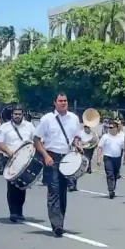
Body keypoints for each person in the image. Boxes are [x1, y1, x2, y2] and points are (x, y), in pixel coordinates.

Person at [33, 93, 82, 237]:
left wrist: (77, 145)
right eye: (60, 101)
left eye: (65, 101)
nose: (63, 103)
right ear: (55, 103)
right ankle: (57, 225)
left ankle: (60, 220)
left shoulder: (74, 118)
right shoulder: (47, 119)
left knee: (63, 191)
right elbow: (36, 139)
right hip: (51, 156)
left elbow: (75, 137)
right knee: (53, 190)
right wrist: (46, 155)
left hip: (67, 156)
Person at [0, 105, 36, 222]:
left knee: (22, 186)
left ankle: (19, 211)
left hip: (25, 160)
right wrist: (8, 151)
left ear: (23, 114)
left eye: (19, 114)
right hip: (10, 159)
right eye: (15, 114)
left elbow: (36, 140)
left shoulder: (29, 126)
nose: (17, 116)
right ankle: (13, 211)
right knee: (12, 185)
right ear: (12, 115)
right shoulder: (5, 127)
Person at [96, 120, 125, 199]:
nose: (110, 129)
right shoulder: (105, 136)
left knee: (116, 174)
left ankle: (113, 187)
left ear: (116, 128)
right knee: (109, 174)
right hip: (108, 158)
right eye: (109, 127)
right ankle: (111, 190)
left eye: (111, 127)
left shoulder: (121, 137)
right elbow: (100, 148)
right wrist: (99, 159)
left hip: (117, 158)